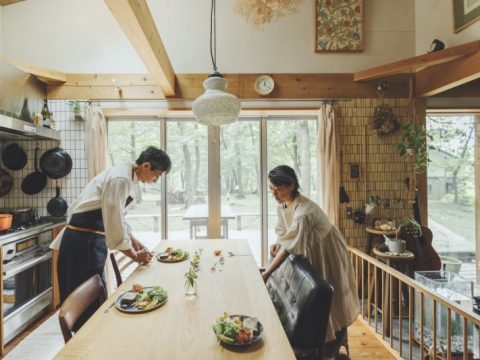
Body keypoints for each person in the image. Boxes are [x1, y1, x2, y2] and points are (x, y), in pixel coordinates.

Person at [51, 146, 171, 329]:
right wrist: (135, 256)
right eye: (158, 175)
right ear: (146, 166)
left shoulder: (126, 176)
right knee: (87, 307)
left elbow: (120, 220)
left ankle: (92, 338)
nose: (156, 180)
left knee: (95, 301)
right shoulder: (120, 179)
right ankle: (86, 347)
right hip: (83, 245)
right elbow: (114, 224)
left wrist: (138, 246)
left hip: (88, 242)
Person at [262, 165, 359, 357]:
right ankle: (327, 342)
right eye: (271, 188)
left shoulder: (304, 212)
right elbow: (285, 232)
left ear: (291, 186)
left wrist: (266, 272)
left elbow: (290, 246)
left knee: (331, 292)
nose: (274, 193)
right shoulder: (284, 203)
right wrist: (278, 242)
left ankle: (332, 345)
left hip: (327, 248)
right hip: (311, 246)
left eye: (278, 188)